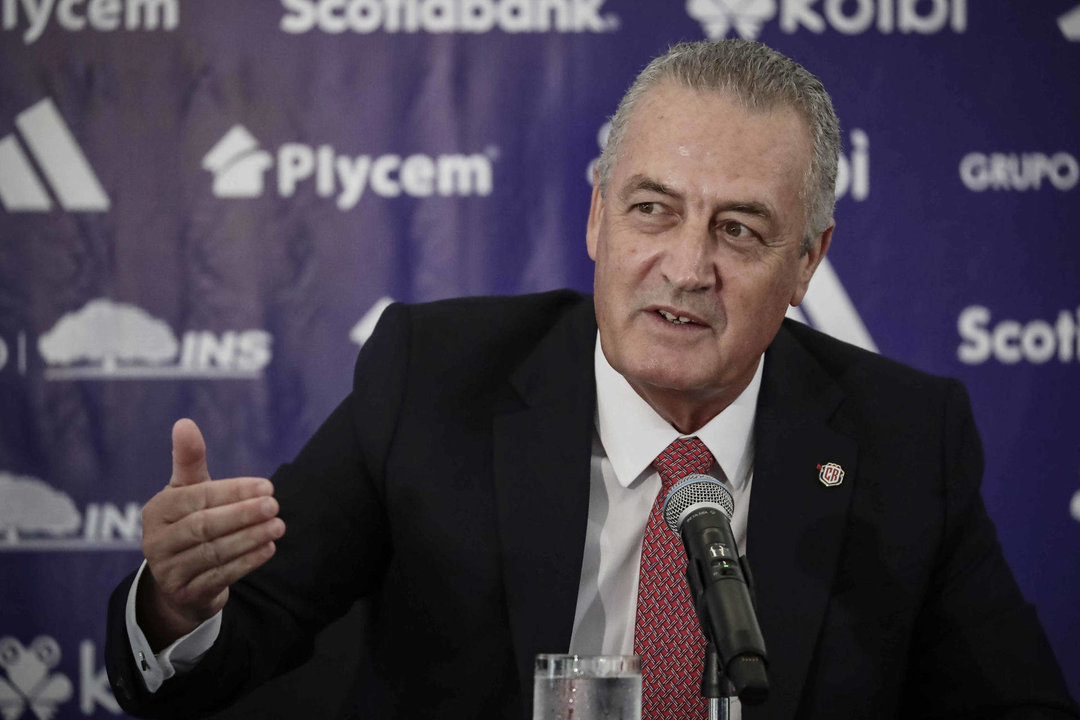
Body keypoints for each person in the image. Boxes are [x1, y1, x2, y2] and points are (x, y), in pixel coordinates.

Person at [105, 40, 1078, 719]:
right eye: (654, 210)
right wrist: (179, 611)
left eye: (739, 230)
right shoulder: (434, 380)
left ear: (808, 263)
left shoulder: (907, 439)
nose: (688, 267)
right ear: (598, 221)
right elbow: (235, 650)